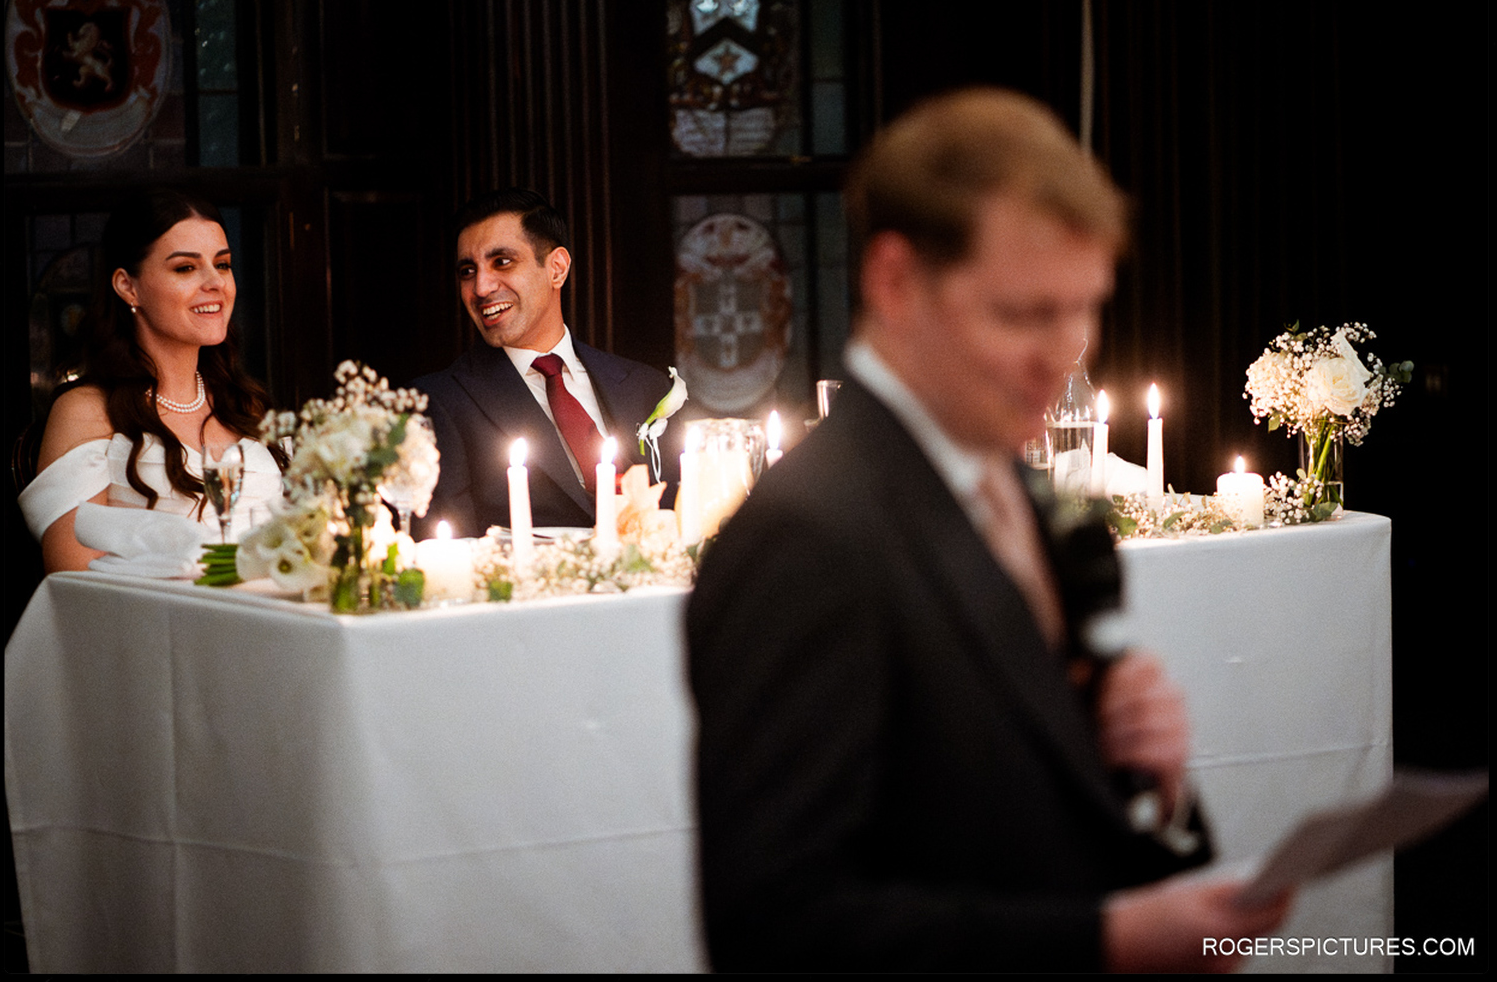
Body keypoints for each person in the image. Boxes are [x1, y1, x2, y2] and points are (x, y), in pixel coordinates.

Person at [686, 88, 1292, 972]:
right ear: (895, 282)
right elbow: (776, 928)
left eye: (1084, 308)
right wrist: (1107, 943)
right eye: (1023, 314)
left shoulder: (1017, 481)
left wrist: (1135, 766)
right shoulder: (805, 537)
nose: (1065, 354)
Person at [20, 189, 281, 574]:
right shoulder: (87, 410)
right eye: (185, 268)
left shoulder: (244, 405)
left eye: (223, 265)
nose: (215, 283)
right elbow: (73, 571)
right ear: (128, 286)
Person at [411, 188, 679, 537]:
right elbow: (449, 555)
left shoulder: (648, 387)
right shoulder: (438, 403)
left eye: (502, 262)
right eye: (467, 271)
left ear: (556, 269)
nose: (481, 287)